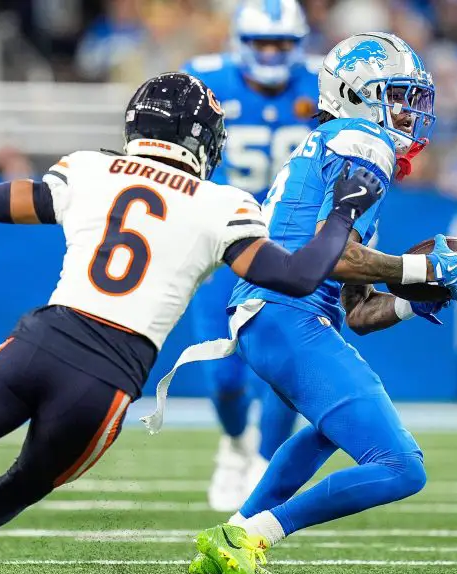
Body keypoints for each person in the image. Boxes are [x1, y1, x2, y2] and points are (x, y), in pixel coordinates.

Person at [0, 72, 384, 574]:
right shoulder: (222, 203)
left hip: (41, 340)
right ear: (201, 140)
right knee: (18, 485)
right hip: (106, 380)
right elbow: (300, 277)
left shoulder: (89, 169)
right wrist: (341, 214)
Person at [158, 33, 457, 574]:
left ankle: (231, 533)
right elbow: (331, 257)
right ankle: (254, 534)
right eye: (397, 95)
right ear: (357, 94)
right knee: (401, 467)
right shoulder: (365, 143)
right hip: (288, 314)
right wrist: (423, 272)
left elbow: (356, 311)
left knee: (328, 431)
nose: (410, 112)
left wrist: (409, 302)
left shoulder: (339, 144)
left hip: (277, 315)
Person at [183, 0, 320, 511]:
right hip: (223, 241)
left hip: (290, 242)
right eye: (261, 42)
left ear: (297, 45)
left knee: (283, 365)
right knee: (222, 372)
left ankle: (264, 460)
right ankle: (236, 445)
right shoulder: (205, 79)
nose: (270, 53)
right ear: (240, 42)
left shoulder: (323, 87)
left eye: (281, 44)